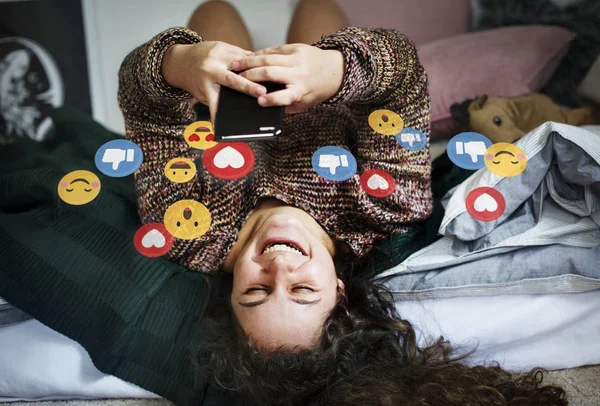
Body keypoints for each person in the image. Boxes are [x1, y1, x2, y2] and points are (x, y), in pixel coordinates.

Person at [118, 1, 567, 404]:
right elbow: (403, 74)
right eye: (302, 291)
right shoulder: (385, 206)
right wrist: (333, 68)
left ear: (228, 298)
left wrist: (177, 65)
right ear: (340, 292)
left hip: (215, 99)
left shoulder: (188, 232)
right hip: (330, 97)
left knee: (214, 11)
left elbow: (142, 103)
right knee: (319, 6)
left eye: (255, 291)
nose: (278, 269)